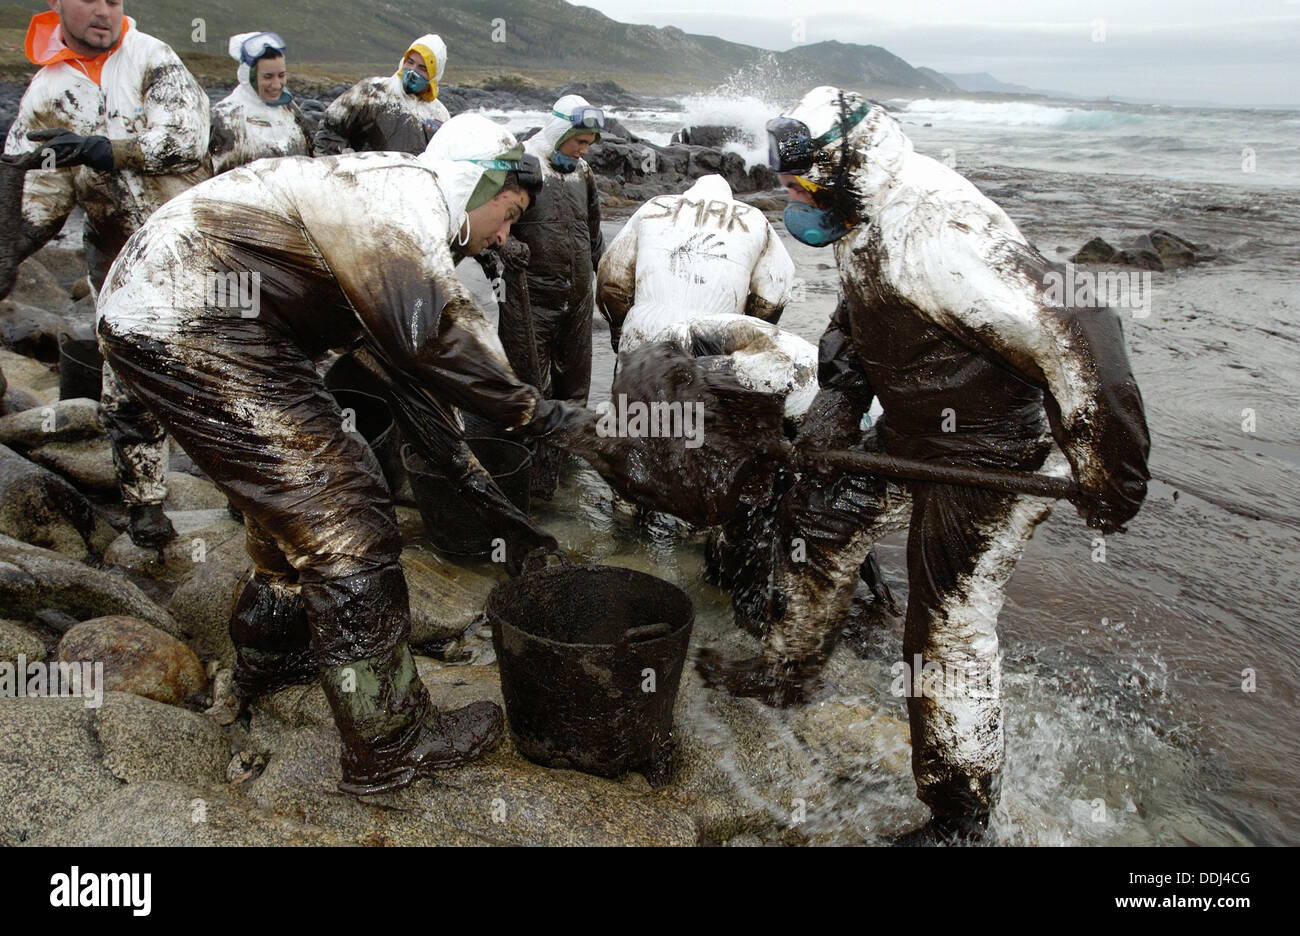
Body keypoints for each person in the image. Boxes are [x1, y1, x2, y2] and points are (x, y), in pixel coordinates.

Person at [699, 86, 1151, 843]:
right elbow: (863, 305)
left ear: (846, 163)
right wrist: (838, 401)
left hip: (990, 451)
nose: (790, 198)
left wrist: (1111, 470)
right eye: (787, 183)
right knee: (818, 519)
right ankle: (790, 669)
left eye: (800, 184)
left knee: (944, 624)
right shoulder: (862, 214)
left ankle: (960, 814)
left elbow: (1082, 322)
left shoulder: (939, 232)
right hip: (912, 425)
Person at [95, 113, 574, 795]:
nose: (507, 235)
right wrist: (536, 411)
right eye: (508, 212)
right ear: (482, 179)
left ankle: (274, 653)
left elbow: (412, 382)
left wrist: (476, 481)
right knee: (346, 518)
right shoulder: (407, 201)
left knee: (288, 501)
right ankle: (390, 742)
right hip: (192, 311)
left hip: (167, 306)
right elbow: (431, 334)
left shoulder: (375, 206)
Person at [0, 0, 210, 548]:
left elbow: (186, 140)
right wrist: (11, 251)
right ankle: (146, 507)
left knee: (218, 378)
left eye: (114, 0)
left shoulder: (153, 60)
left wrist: (100, 149)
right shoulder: (47, 93)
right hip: (117, 266)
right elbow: (42, 196)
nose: (103, 10)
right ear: (58, 5)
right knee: (127, 390)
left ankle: (250, 498)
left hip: (193, 253)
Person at [596, 173, 815, 418]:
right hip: (711, 339)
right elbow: (774, 294)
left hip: (644, 330)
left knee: (632, 423)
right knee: (698, 427)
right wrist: (745, 333)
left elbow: (611, 281)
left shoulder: (653, 207)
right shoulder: (754, 219)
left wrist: (619, 328)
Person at [497, 94, 605, 497]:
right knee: (526, 385)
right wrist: (503, 250)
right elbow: (495, 219)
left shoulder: (583, 173)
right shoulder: (523, 164)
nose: (584, 150)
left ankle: (565, 464)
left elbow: (593, 234)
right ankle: (518, 465)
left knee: (574, 385)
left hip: (577, 299)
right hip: (529, 299)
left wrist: (603, 279)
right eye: (579, 141)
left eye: (589, 143)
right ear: (561, 132)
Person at [313, 34, 450, 156]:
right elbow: (331, 128)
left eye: (422, 68)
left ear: (435, 75)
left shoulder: (439, 115)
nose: (413, 71)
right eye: (410, 62)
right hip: (365, 178)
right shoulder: (372, 92)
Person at [208, 31, 314, 175]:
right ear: (249, 75)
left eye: (281, 75)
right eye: (267, 77)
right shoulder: (223, 118)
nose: (276, 85)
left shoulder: (291, 111)